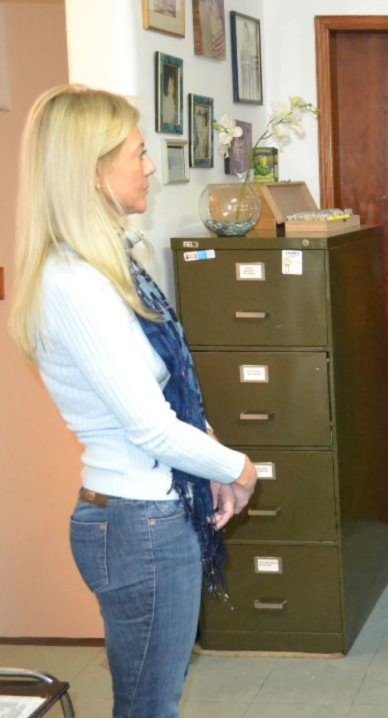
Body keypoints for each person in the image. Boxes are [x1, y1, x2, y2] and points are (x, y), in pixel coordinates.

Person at [8, 85, 258, 717]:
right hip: (139, 524)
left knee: (153, 702)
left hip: (151, 511)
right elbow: (151, 427)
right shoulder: (75, 284)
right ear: (93, 172)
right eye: (138, 153)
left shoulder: (110, 266)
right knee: (149, 708)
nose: (150, 167)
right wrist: (238, 469)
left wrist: (211, 462)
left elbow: (169, 386)